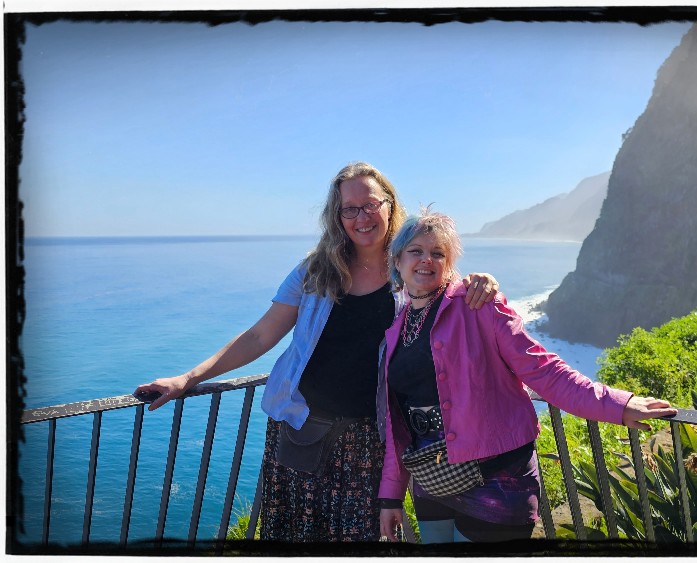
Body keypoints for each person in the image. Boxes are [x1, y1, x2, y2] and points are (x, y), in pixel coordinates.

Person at [133, 162, 499, 542]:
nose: (362, 217)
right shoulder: (316, 270)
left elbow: (456, 306)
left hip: (369, 443)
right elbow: (260, 336)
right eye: (349, 209)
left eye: (371, 204)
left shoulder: (413, 267)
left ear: (390, 205)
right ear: (337, 216)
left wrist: (483, 284)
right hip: (300, 430)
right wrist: (187, 379)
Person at [377, 209, 677, 543]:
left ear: (448, 263)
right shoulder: (396, 328)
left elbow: (544, 371)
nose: (426, 260)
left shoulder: (478, 305)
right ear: (398, 260)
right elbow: (397, 424)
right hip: (432, 481)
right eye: (416, 251)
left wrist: (618, 405)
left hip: (496, 479)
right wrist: (391, 496)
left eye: (438, 253)